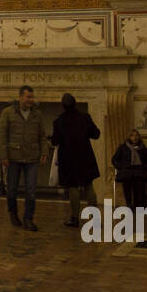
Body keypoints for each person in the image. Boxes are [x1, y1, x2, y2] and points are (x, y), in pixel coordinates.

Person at [0, 85, 47, 231]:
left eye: (32, 97)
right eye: (28, 97)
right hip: (13, 158)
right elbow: (2, 136)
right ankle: (13, 214)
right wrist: (4, 156)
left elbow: (42, 136)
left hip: (32, 158)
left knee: (31, 190)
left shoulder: (37, 115)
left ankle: (28, 219)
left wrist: (44, 152)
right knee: (11, 189)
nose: (31, 100)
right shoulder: (7, 113)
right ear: (20, 97)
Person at [50, 93, 100, 226]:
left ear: (63, 106)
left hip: (68, 159)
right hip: (85, 156)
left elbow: (55, 141)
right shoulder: (85, 117)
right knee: (89, 186)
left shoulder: (59, 121)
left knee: (73, 188)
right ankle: (95, 219)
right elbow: (96, 134)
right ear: (75, 103)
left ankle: (74, 218)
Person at [111, 129, 147, 247]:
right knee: (127, 181)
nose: (134, 137)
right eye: (132, 135)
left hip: (139, 171)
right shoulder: (123, 147)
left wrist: (143, 167)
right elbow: (114, 159)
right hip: (126, 171)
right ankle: (129, 203)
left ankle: (138, 205)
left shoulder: (142, 148)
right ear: (128, 137)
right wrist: (122, 167)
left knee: (139, 183)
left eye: (136, 135)